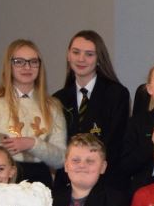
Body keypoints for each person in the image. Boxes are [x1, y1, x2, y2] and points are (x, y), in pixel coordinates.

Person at [0, 39, 66, 186]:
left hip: (41, 181)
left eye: (33, 62)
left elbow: (61, 159)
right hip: (4, 180)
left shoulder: (53, 107)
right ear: (9, 65)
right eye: (19, 62)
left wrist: (32, 144)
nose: (27, 67)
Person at [52, 30, 130, 178]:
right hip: (68, 181)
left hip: (106, 180)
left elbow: (115, 143)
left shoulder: (117, 94)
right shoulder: (57, 100)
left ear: (99, 58)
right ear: (68, 56)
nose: (81, 59)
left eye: (89, 54)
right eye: (76, 52)